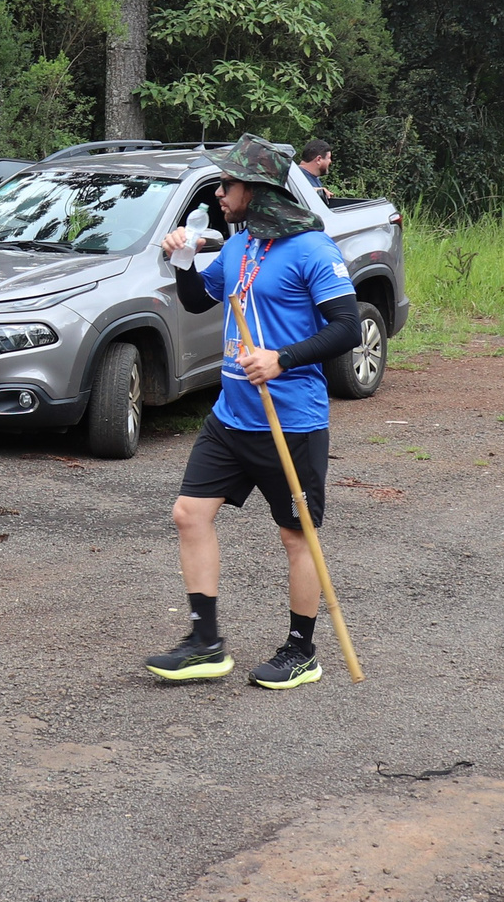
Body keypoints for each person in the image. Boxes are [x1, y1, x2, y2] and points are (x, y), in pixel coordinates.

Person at [145, 136, 362, 691]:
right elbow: (198, 300)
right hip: (231, 416)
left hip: (291, 420)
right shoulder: (242, 247)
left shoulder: (313, 251)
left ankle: (301, 650)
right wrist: (184, 261)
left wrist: (281, 358)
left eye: (227, 185)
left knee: (298, 537)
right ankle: (205, 642)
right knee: (189, 515)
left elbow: (345, 327)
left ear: (258, 192)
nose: (219, 195)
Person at [299, 136, 336, 206]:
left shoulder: (312, 177)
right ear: (319, 159)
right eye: (329, 158)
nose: (330, 161)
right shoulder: (294, 177)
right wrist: (314, 191)